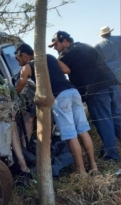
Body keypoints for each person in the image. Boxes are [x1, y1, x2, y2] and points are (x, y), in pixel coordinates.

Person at [15, 43, 98, 175]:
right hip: (72, 91)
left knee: (70, 135)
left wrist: (13, 94)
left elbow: (20, 86)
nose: (18, 62)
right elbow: (66, 70)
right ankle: (93, 166)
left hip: (60, 96)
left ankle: (81, 172)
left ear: (24, 55)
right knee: (83, 131)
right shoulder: (49, 56)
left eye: (18, 59)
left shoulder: (27, 67)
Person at [48, 31, 120, 174]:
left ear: (64, 41)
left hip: (96, 89)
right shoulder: (86, 46)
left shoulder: (66, 55)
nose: (55, 48)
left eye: (56, 44)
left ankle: (111, 156)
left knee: (103, 121)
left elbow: (61, 71)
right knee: (117, 117)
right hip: (112, 83)